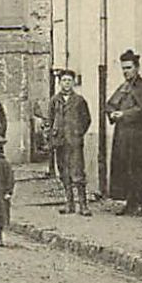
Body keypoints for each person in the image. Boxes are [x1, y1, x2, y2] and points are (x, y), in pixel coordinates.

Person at [105, 48, 142, 215]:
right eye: (123, 68)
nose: (126, 72)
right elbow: (110, 104)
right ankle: (130, 202)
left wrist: (124, 114)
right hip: (123, 135)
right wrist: (112, 112)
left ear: (137, 68)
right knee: (125, 168)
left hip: (140, 136)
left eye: (129, 68)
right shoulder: (123, 87)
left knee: (141, 168)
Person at [44, 68, 93, 215]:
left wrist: (78, 133)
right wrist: (52, 135)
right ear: (60, 83)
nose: (66, 83)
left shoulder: (79, 100)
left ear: (74, 83)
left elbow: (86, 119)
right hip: (60, 141)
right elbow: (50, 119)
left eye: (69, 80)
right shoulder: (54, 100)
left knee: (78, 172)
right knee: (63, 172)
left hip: (74, 142)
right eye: (64, 80)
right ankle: (69, 203)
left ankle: (83, 205)